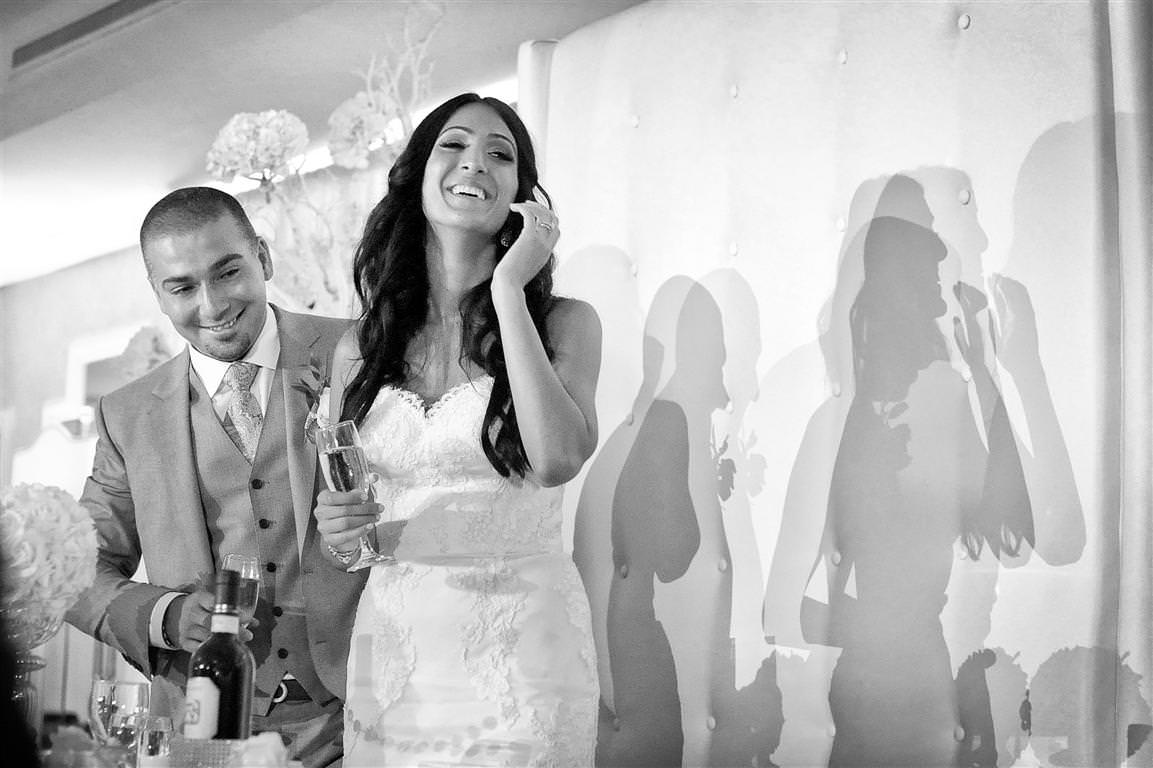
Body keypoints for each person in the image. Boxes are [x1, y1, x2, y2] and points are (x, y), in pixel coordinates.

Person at [313, 93, 602, 766]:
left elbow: (557, 459)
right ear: (418, 172)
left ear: (521, 198)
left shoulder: (565, 324)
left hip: (521, 650)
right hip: (396, 648)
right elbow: (348, 543)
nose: (475, 162)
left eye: (500, 154)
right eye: (454, 144)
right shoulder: (361, 345)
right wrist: (340, 530)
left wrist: (508, 293)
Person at [65, 187, 367, 768]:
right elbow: (79, 567)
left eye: (228, 272)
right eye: (181, 287)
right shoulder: (126, 415)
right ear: (158, 294)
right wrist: (168, 616)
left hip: (357, 708)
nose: (212, 305)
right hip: (205, 727)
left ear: (263, 259)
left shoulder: (356, 352)